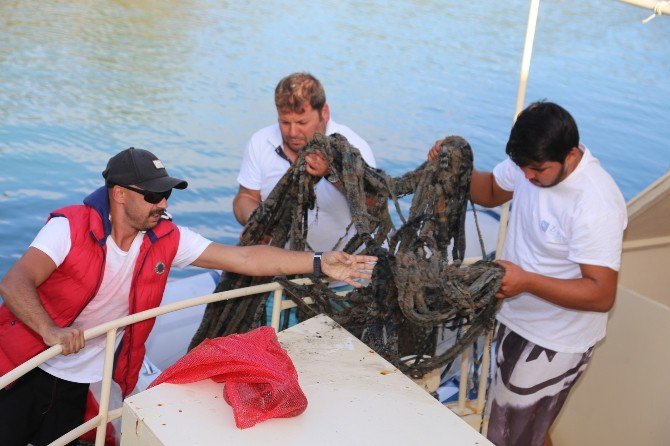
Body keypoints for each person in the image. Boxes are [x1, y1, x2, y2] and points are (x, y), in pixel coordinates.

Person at [0, 147, 376, 446]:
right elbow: (16, 281)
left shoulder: (166, 237)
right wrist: (50, 331)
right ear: (118, 194)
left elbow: (245, 257)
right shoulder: (69, 227)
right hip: (28, 368)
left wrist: (318, 263)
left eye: (165, 194)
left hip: (84, 380)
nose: (163, 203)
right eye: (152, 195)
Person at [428, 101, 627, 446]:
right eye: (521, 167)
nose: (527, 177)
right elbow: (490, 191)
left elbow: (601, 294)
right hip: (516, 319)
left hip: (556, 340)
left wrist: (527, 282)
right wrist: (453, 167)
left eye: (537, 170)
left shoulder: (596, 203)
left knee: (507, 435)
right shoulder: (529, 164)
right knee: (528, 430)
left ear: (571, 154)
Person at [233, 72, 376, 251]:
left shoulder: (353, 147)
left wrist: (332, 173)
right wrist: (256, 222)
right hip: (276, 263)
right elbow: (245, 197)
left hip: (344, 268)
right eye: (285, 122)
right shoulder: (260, 142)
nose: (293, 132)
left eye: (302, 123)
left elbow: (374, 205)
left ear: (324, 113)